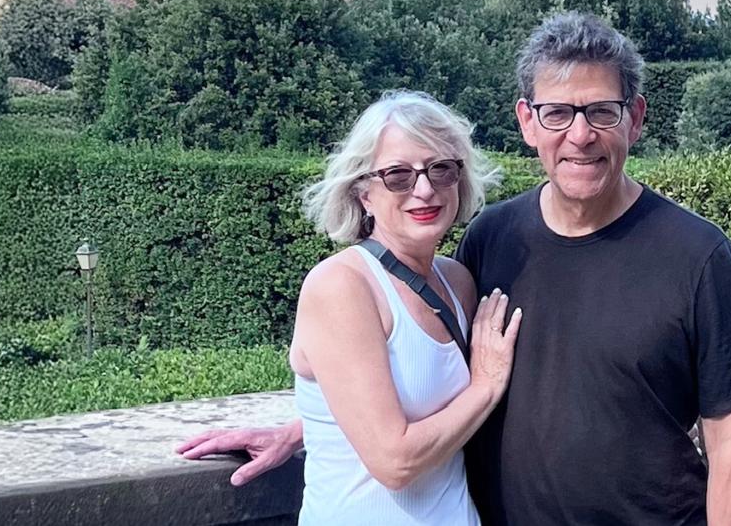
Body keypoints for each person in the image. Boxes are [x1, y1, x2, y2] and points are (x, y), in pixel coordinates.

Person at [180, 12, 731, 525]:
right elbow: (412, 382)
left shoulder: (695, 253)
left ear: (635, 118)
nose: (580, 135)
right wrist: (310, 425)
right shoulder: (494, 241)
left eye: (601, 111)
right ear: (527, 122)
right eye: (557, 114)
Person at [176, 91, 523, 524]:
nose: (424, 189)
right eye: (398, 175)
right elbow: (394, 463)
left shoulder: (457, 283)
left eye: (442, 169)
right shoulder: (342, 287)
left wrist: (301, 430)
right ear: (364, 193)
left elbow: (399, 399)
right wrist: (486, 386)